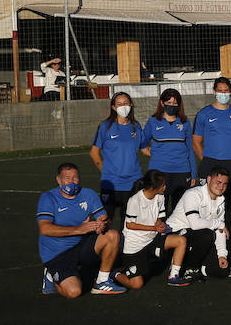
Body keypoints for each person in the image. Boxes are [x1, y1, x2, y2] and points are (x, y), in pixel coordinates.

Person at [37, 162, 123, 297]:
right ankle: (51, 275)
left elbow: (105, 219)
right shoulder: (48, 197)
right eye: (67, 178)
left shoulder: (89, 194)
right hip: (57, 254)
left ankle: (102, 281)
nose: (72, 181)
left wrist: (102, 224)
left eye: (75, 178)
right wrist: (78, 229)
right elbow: (45, 229)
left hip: (81, 245)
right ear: (58, 180)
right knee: (74, 292)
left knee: (112, 235)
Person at [115, 171, 189, 289]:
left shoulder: (160, 197)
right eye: (163, 185)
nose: (165, 187)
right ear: (153, 187)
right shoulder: (135, 200)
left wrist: (160, 224)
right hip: (135, 247)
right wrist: (154, 228)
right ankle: (116, 275)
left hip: (152, 239)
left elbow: (159, 217)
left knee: (181, 240)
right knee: (137, 284)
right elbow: (130, 225)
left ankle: (174, 276)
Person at [168, 166, 231, 280]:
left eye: (225, 184)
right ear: (209, 180)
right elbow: (195, 224)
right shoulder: (193, 194)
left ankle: (198, 265)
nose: (221, 187)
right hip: (176, 234)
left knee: (221, 271)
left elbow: (220, 230)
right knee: (207, 234)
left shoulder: (221, 199)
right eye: (218, 182)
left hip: (198, 237)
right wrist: (219, 224)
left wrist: (221, 255)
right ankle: (190, 269)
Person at [141, 88, 197, 216]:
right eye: (169, 102)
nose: (172, 106)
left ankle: (178, 235)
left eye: (175, 103)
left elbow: (190, 149)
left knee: (180, 210)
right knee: (159, 210)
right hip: (159, 172)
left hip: (182, 171)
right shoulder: (153, 121)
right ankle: (162, 235)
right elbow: (142, 142)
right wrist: (150, 152)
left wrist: (193, 174)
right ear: (162, 103)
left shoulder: (185, 122)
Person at [89, 91, 144, 220]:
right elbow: (94, 152)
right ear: (113, 107)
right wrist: (106, 171)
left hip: (134, 182)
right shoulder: (105, 127)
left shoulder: (136, 126)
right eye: (119, 104)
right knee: (105, 222)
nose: (123, 106)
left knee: (130, 223)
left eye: (125, 103)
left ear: (131, 104)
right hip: (111, 183)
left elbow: (144, 149)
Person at [193, 78, 231, 186]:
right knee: (208, 200)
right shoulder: (203, 114)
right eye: (220, 90)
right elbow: (196, 142)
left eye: (226, 91)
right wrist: (206, 160)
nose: (223, 93)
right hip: (210, 163)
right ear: (214, 92)